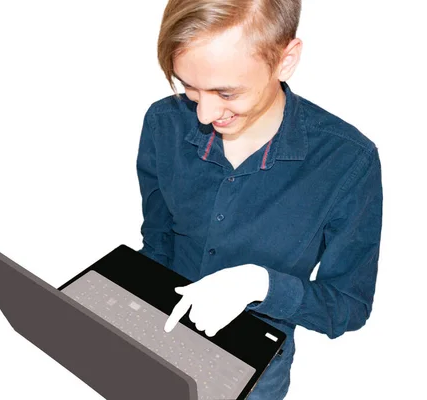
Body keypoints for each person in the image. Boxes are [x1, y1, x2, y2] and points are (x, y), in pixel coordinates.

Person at [136, 1, 383, 399]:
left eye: (226, 92)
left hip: (252, 377)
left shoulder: (348, 161)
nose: (204, 113)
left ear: (286, 61)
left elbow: (348, 305)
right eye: (190, 88)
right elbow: (158, 241)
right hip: (157, 346)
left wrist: (261, 285)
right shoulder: (163, 123)